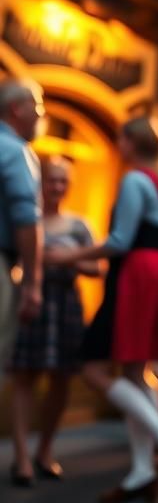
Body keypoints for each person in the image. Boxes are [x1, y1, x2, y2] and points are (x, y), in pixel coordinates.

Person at [48, 117, 158, 501]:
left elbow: (119, 241)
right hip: (152, 276)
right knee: (136, 371)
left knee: (92, 366)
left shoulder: (135, 180)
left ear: (129, 143)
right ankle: (143, 470)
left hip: (135, 278)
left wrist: (67, 255)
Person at [8, 157, 100, 487]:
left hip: (65, 304)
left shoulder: (79, 225)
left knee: (61, 379)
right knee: (24, 378)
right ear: (40, 182)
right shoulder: (25, 220)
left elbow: (97, 268)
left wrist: (65, 259)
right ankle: (21, 458)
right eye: (52, 180)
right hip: (31, 301)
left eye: (64, 181)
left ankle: (45, 450)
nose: (58, 187)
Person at [0, 79, 44, 394]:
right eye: (37, 105)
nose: (42, 114)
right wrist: (32, 283)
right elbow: (27, 219)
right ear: (17, 108)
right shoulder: (16, 151)